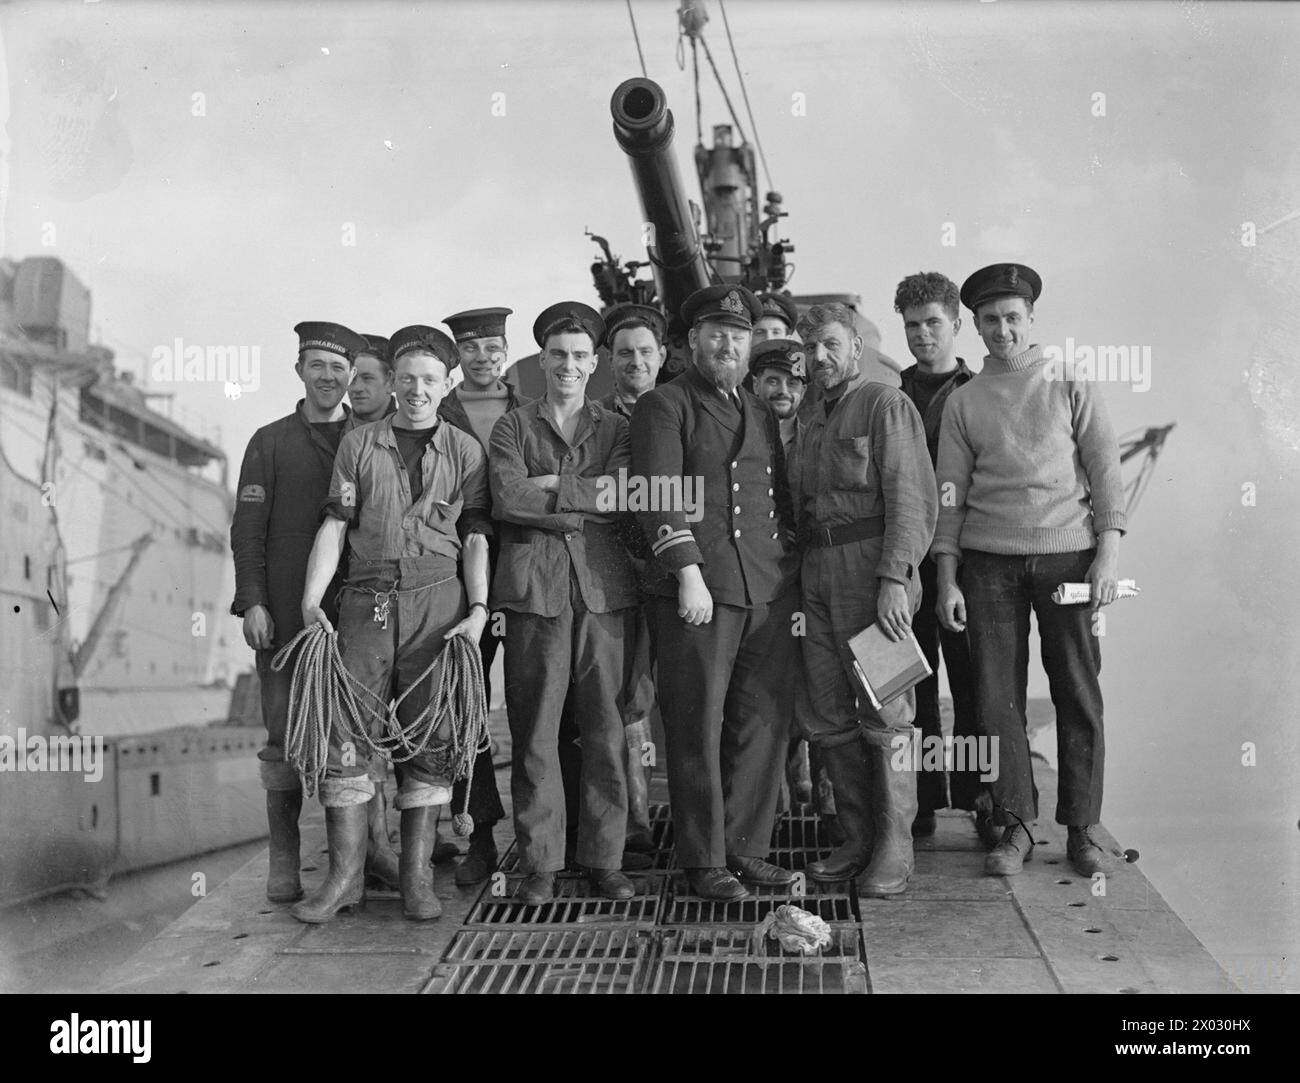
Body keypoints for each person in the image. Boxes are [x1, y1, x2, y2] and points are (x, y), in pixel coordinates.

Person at [293, 324, 492, 923]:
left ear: (446, 383)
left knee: (430, 739)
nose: (414, 390)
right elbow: (334, 526)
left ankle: (416, 882)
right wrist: (311, 603)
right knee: (344, 736)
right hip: (366, 602)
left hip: (439, 604)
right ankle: (344, 879)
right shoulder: (359, 445)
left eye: (428, 379)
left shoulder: (464, 450)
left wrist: (478, 612)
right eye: (404, 378)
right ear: (388, 382)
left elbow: (476, 536)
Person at [933, 263, 1126, 879]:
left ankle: (1082, 828)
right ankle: (1014, 825)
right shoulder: (964, 401)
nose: (1002, 330)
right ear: (976, 326)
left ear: (1031, 317)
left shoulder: (1069, 380)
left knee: (1076, 690)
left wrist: (1108, 552)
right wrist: (946, 576)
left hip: (1068, 557)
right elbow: (949, 498)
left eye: (1013, 317)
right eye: (990, 320)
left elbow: (1105, 470)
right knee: (995, 701)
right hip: (987, 565)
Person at [629, 284, 800, 901]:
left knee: (761, 722)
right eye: (715, 333)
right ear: (692, 341)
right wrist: (687, 572)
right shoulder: (665, 405)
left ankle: (747, 849)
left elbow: (774, 497)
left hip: (765, 589)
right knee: (697, 721)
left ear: (751, 344)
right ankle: (703, 862)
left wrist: (787, 579)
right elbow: (656, 493)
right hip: (700, 590)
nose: (727, 344)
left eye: (739, 334)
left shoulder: (756, 408)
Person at [229, 320, 400, 905]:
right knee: (283, 738)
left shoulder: (373, 438)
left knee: (359, 735)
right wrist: (251, 601)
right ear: (299, 369)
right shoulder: (269, 441)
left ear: (352, 375)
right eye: (317, 366)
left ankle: (369, 854)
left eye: (339, 368)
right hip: (283, 617)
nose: (328, 377)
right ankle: (285, 860)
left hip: (354, 615)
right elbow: (247, 531)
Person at [489, 301, 640, 904]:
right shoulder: (512, 426)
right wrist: (579, 499)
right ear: (542, 359)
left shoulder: (616, 428)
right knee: (535, 735)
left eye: (580, 355)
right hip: (536, 596)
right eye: (558, 355)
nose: (569, 366)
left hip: (603, 594)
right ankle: (542, 864)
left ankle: (606, 859)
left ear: (595, 361)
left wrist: (553, 487)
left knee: (606, 731)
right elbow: (507, 498)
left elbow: (623, 493)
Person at [791, 302, 937, 896]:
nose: (819, 357)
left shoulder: (885, 404)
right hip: (816, 573)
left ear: (855, 348)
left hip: (872, 570)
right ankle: (856, 837)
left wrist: (895, 579)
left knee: (889, 715)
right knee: (827, 715)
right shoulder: (808, 416)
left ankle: (895, 848)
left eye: (830, 344)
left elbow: (913, 498)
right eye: (811, 348)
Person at [437, 306, 531, 886]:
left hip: (524, 571)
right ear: (457, 356)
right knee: (465, 706)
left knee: (541, 703)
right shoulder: (436, 414)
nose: (483, 356)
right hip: (457, 574)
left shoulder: (529, 410)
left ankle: (550, 834)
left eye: (493, 346)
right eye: (470, 347)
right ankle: (478, 834)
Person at [892, 272, 987, 842]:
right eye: (912, 325)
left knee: (975, 682)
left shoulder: (979, 394)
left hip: (967, 567)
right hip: (902, 567)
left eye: (933, 323)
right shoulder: (889, 395)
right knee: (910, 686)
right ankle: (922, 802)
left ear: (956, 324)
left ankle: (981, 798)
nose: (923, 334)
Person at [597, 302, 669, 855]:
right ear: (609, 360)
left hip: (684, 572)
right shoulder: (599, 423)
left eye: (646, 351)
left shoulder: (682, 411)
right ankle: (635, 823)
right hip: (618, 573)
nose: (636, 361)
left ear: (662, 355)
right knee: (629, 698)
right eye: (625, 353)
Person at [749, 339, 827, 820]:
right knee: (762, 698)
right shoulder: (740, 434)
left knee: (822, 693)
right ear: (754, 383)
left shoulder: (818, 435)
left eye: (793, 382)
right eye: (772, 380)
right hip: (759, 585)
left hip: (814, 580)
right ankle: (769, 812)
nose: (783, 390)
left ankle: (829, 807)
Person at [347, 334, 397, 424]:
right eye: (352, 379)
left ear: (391, 382)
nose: (357, 388)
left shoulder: (414, 432)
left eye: (367, 378)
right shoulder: (335, 434)